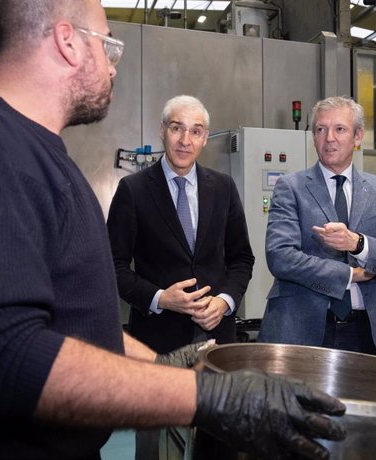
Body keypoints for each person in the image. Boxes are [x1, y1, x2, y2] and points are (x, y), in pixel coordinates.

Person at [0, 1, 346, 459]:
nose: (114, 68)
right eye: (109, 47)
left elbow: (74, 322)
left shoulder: (43, 158)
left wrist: (160, 367)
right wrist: (205, 398)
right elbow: (0, 357)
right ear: (67, 41)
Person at [106, 94, 255, 458]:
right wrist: (159, 298)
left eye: (196, 131)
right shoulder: (134, 190)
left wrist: (224, 302)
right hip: (157, 341)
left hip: (216, 340)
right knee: (153, 444)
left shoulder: (223, 188)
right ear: (162, 131)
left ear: (205, 138)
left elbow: (242, 259)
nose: (185, 140)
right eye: (177, 128)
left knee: (215, 439)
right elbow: (112, 267)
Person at [257, 96, 376, 357]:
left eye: (339, 129)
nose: (329, 137)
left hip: (366, 332)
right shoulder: (291, 187)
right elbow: (281, 257)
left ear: (357, 136)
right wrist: (350, 274)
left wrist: (359, 244)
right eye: (320, 129)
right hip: (301, 329)